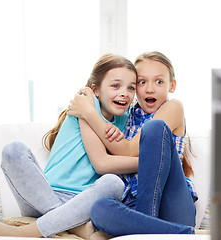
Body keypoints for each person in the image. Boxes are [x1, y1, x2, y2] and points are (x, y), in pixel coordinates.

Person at [0, 53, 139, 239]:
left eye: (131, 88)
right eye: (115, 85)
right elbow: (100, 163)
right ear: (96, 90)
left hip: (83, 202)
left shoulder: (127, 120)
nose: (124, 93)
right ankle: (72, 227)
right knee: (13, 150)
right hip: (44, 195)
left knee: (113, 183)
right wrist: (146, 162)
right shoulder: (86, 102)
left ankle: (40, 227)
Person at [67, 51, 198, 237]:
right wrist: (91, 102)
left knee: (154, 128)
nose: (150, 89)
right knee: (99, 208)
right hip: (133, 203)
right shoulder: (126, 117)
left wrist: (89, 113)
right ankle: (177, 233)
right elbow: (103, 161)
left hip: (173, 205)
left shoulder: (173, 108)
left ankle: (144, 230)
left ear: (172, 85)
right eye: (142, 82)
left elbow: (128, 150)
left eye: (159, 82)